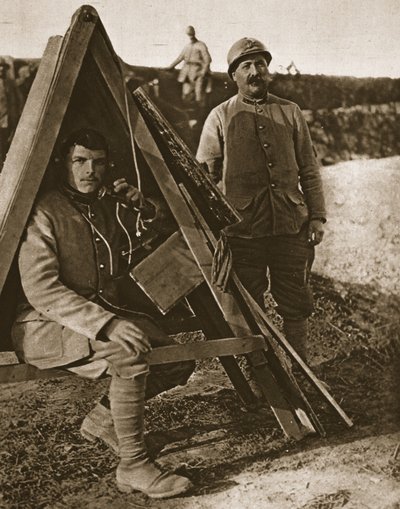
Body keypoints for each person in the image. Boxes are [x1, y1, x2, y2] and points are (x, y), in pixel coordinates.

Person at [12, 128, 194, 498]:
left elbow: (174, 227)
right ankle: (134, 466)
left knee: (177, 360)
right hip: (44, 323)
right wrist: (107, 324)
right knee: (128, 352)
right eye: (79, 161)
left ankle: (104, 419)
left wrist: (142, 204)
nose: (89, 170)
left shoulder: (106, 203)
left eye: (97, 162)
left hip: (95, 314)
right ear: (64, 164)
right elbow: (41, 288)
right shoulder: (44, 209)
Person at [196, 38, 326, 361]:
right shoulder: (219, 117)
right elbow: (205, 179)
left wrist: (317, 216)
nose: (255, 72)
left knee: (296, 304)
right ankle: (263, 378)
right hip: (244, 233)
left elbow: (309, 169)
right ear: (233, 76)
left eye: (261, 64)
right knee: (249, 307)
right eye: (246, 66)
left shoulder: (291, 112)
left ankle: (297, 374)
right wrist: (215, 229)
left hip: (290, 228)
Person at [167, 25, 212, 108]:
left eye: (191, 34)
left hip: (198, 72)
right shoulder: (187, 46)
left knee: (198, 94)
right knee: (185, 94)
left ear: (194, 34)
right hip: (187, 72)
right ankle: (188, 112)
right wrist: (170, 67)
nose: (190, 37)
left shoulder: (201, 45)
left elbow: (207, 59)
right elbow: (180, 58)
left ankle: (200, 113)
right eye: (188, 35)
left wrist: (203, 72)